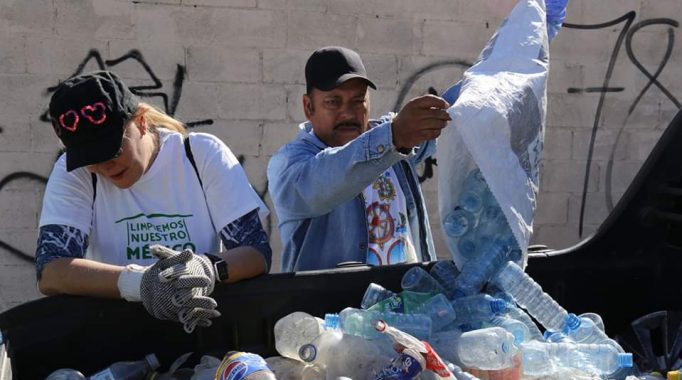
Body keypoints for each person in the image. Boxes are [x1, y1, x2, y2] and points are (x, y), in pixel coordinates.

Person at [35, 71, 271, 332]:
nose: (105, 167)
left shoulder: (200, 155)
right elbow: (51, 271)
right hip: (113, 332)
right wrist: (140, 283)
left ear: (141, 122)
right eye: (90, 158)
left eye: (111, 150)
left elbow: (256, 252)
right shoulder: (75, 174)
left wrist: (205, 268)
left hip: (199, 327)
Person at [267, 46, 451, 272]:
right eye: (333, 101)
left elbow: (454, 110)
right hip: (330, 307)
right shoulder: (289, 164)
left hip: (405, 303)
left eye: (357, 101)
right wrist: (395, 136)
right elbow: (327, 178)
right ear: (308, 106)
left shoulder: (393, 141)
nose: (348, 113)